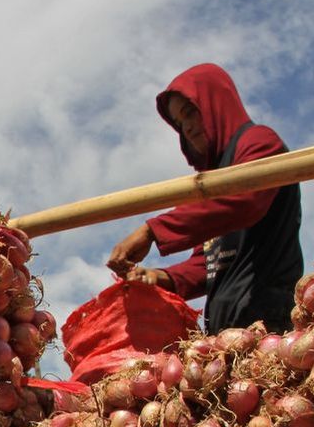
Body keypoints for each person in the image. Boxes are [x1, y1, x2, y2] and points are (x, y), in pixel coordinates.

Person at [106, 63, 303, 334]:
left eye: (190, 114)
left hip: (269, 324)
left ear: (215, 104)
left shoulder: (259, 142)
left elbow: (243, 200)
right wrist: (158, 277)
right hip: (227, 334)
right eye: (180, 122)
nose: (187, 128)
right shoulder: (213, 181)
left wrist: (152, 231)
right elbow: (207, 264)